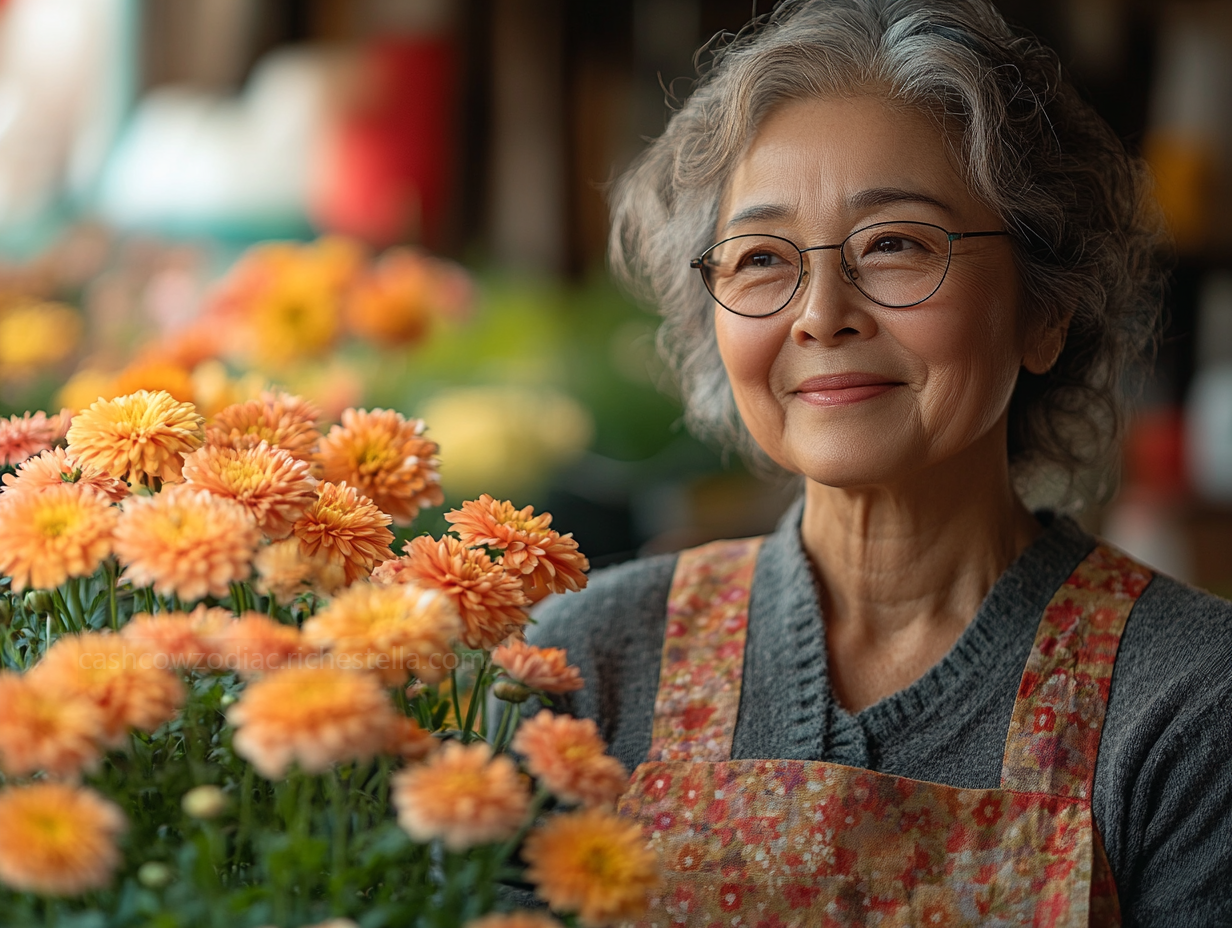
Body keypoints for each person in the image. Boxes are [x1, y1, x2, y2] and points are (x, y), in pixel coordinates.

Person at [528, 1, 1232, 925]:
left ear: (1044, 309)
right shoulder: (585, 664)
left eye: (895, 244)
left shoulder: (1191, 699)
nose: (822, 314)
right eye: (761, 258)